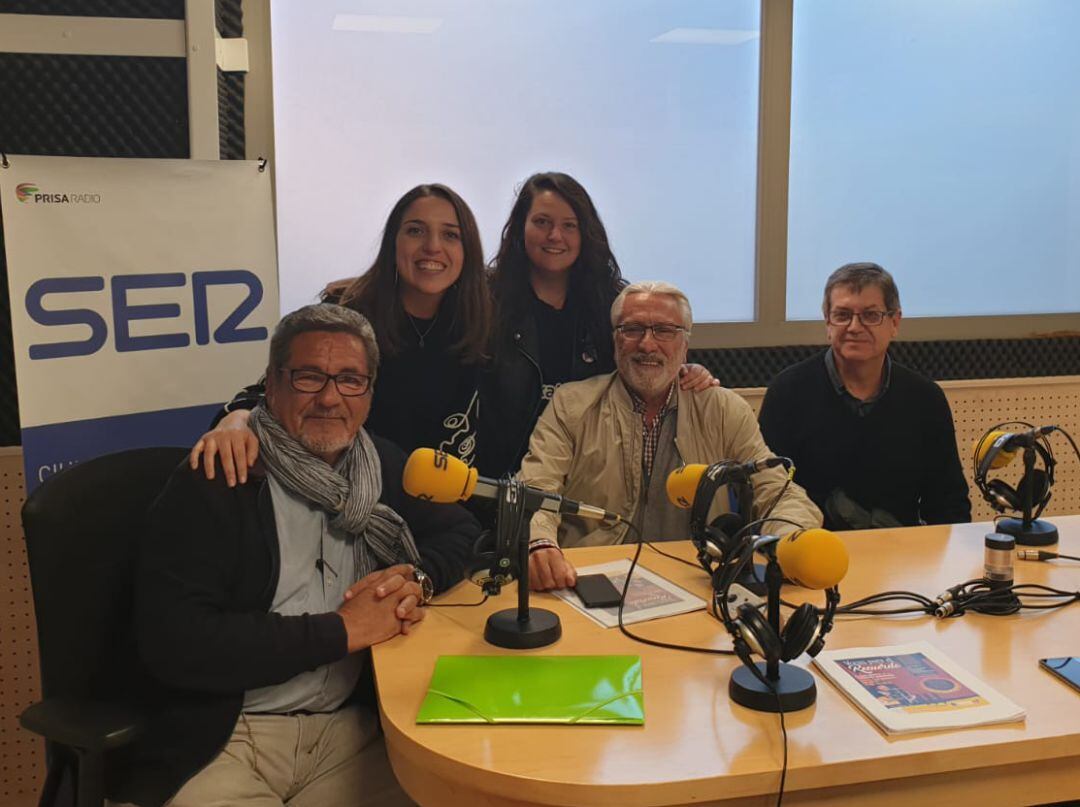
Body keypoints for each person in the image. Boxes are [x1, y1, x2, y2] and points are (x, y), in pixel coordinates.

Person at [120, 304, 478, 807]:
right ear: (272, 386)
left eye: (351, 380)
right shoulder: (219, 478)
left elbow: (462, 531)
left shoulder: (380, 467)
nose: (331, 398)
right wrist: (344, 630)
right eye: (310, 377)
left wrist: (418, 578)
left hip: (350, 735)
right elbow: (176, 642)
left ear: (369, 395)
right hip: (227, 740)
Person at [518, 281, 822, 591]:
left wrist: (790, 541)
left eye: (664, 330)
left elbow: (775, 490)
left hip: (693, 579)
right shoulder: (571, 405)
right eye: (632, 329)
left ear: (685, 344)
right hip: (588, 575)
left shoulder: (723, 408)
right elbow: (536, 488)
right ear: (615, 341)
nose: (647, 345)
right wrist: (540, 543)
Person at [196, 183, 492, 485]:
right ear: (393, 242)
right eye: (415, 231)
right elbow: (280, 385)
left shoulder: (483, 321)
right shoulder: (347, 313)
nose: (432, 246)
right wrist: (236, 418)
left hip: (444, 507)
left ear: (467, 249)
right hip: (348, 500)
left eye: (450, 235)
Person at [481, 172, 716, 478]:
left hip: (593, 480)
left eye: (569, 225)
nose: (555, 235)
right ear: (520, 228)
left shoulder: (613, 303)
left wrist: (686, 373)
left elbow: (643, 367)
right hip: (501, 480)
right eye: (542, 222)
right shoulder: (485, 302)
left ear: (585, 233)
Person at [758, 262, 970, 530]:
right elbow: (768, 497)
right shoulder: (787, 392)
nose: (855, 327)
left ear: (895, 322)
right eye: (843, 315)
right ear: (827, 321)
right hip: (811, 556)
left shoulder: (926, 399)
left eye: (871, 315)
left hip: (900, 558)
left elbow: (949, 504)